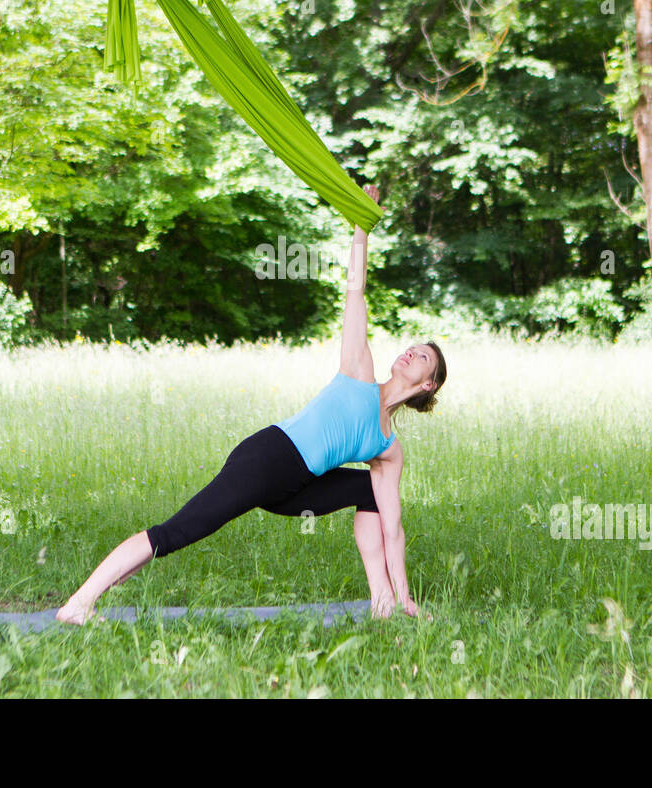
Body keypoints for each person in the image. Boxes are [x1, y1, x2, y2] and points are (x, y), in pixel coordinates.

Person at [56, 185, 447, 625]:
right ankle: (79, 603)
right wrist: (361, 228)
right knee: (180, 532)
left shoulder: (388, 448)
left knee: (367, 492)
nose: (411, 352)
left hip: (295, 488)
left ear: (428, 385)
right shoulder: (359, 369)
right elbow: (355, 291)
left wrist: (407, 593)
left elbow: (393, 529)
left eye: (423, 356)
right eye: (412, 347)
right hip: (267, 458)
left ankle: (386, 605)